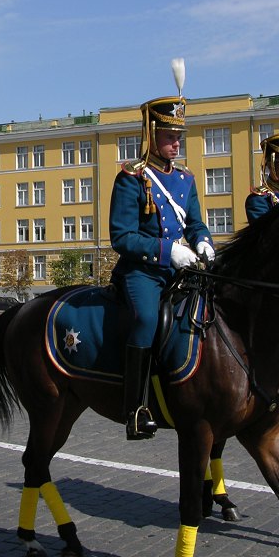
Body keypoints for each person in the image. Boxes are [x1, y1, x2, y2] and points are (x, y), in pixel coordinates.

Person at [109, 95, 214, 440]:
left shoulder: (185, 178)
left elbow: (196, 222)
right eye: (169, 137)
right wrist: (168, 251)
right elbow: (122, 237)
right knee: (147, 319)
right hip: (143, 271)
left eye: (178, 137)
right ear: (151, 135)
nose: (176, 143)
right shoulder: (131, 178)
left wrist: (203, 242)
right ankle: (135, 408)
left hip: (181, 267)